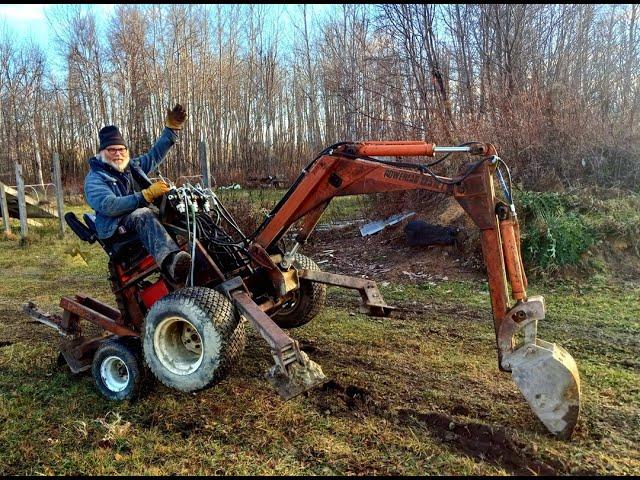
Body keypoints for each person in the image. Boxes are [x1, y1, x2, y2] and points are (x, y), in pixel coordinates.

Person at [84, 104, 191, 285]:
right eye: (112, 150)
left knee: (176, 208)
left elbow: (154, 155)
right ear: (102, 153)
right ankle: (171, 262)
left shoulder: (130, 167)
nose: (118, 154)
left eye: (121, 149)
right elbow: (110, 205)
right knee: (143, 214)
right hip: (115, 228)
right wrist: (145, 196)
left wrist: (171, 130)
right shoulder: (94, 179)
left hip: (135, 220)